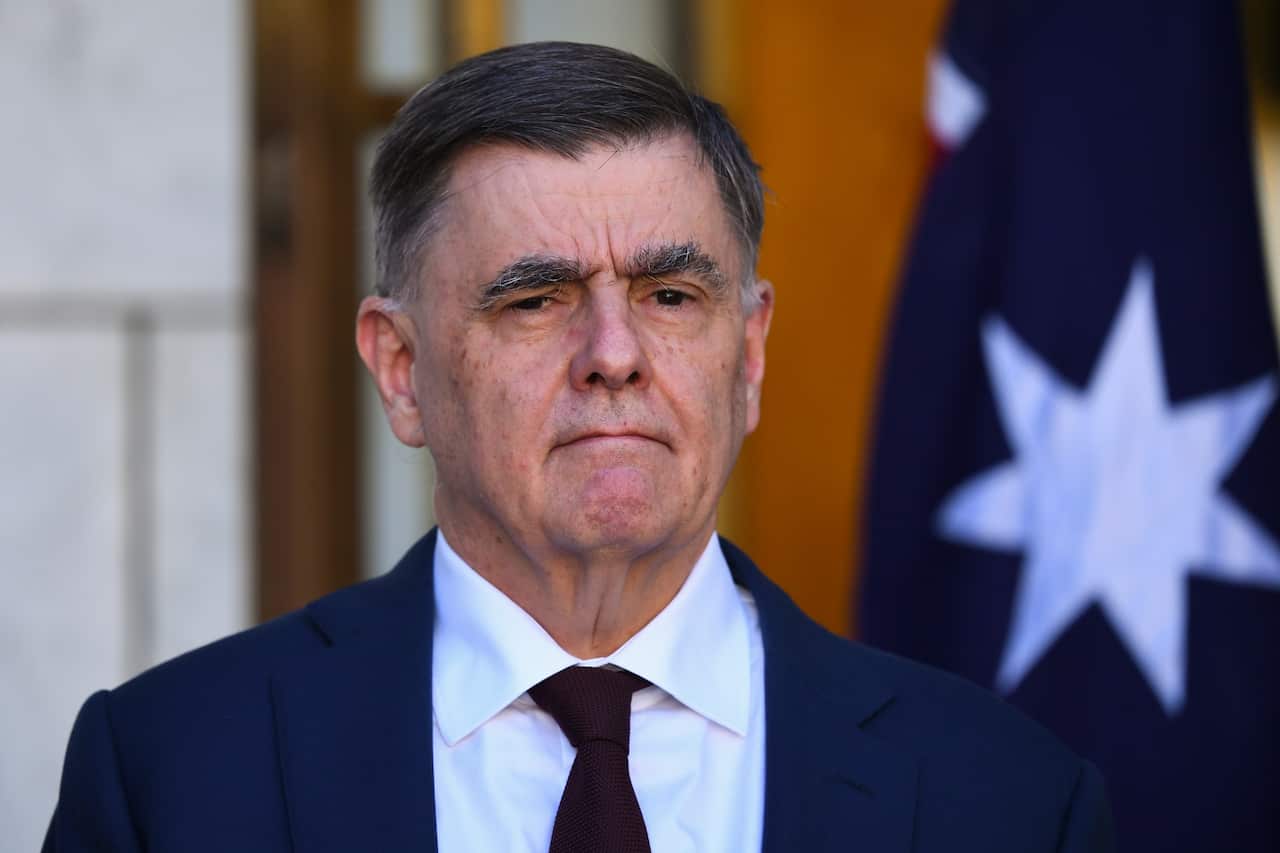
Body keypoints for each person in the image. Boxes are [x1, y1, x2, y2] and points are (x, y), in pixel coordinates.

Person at [43, 41, 1115, 852]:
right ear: (401, 370)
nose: (614, 354)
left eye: (670, 294)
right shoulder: (169, 779)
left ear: (747, 355)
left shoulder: (1008, 801)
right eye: (536, 299)